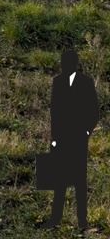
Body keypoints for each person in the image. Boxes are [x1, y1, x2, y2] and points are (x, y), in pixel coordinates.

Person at [46, 47, 100, 232]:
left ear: (75, 64)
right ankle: (55, 220)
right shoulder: (57, 82)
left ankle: (82, 223)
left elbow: (94, 111)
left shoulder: (86, 83)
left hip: (78, 140)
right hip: (61, 139)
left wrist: (86, 132)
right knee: (59, 181)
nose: (64, 66)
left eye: (68, 62)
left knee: (79, 181)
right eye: (63, 63)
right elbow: (54, 112)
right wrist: (53, 138)